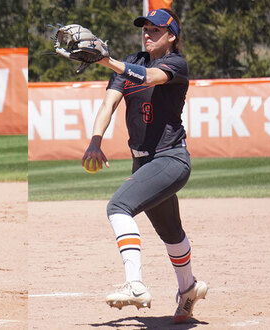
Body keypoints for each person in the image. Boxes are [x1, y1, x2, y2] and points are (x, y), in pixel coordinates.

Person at [81, 8, 207, 323]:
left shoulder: (176, 64)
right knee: (170, 231)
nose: (147, 34)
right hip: (142, 163)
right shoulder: (130, 63)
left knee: (118, 207)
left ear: (172, 36)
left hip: (171, 158)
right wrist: (95, 141)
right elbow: (109, 103)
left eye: (155, 29)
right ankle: (189, 288)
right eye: (145, 29)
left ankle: (135, 284)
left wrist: (108, 61)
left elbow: (151, 77)